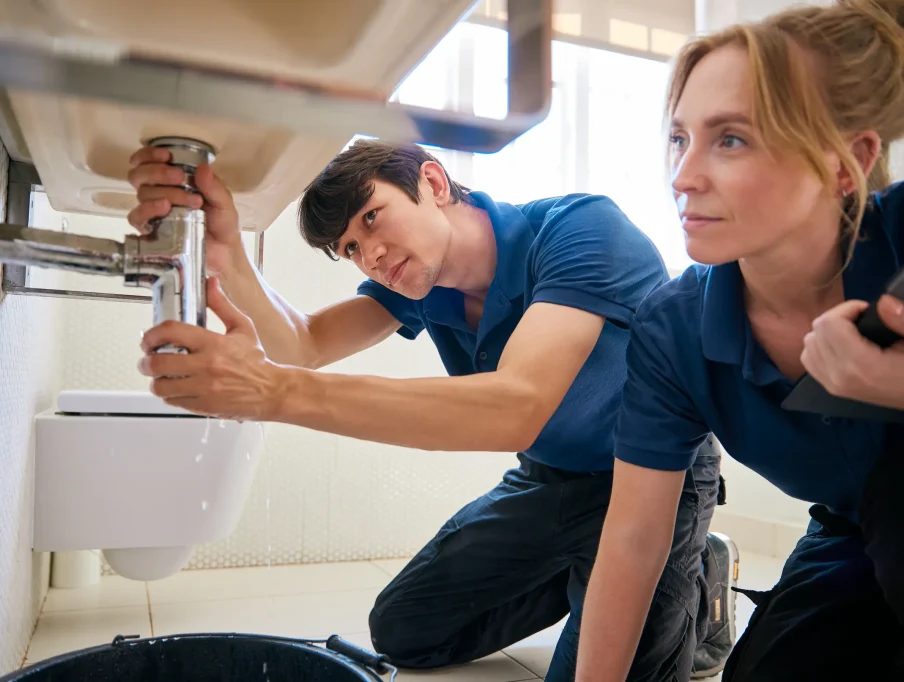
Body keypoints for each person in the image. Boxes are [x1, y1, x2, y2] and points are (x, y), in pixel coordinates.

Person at [126, 138, 736, 679]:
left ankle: (694, 575)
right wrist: (229, 253)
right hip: (548, 479)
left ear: (434, 184)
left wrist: (274, 392)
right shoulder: (421, 286)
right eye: (352, 248)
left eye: (373, 217)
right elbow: (305, 343)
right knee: (404, 631)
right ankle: (583, 570)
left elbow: (514, 408)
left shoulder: (581, 231)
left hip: (652, 483)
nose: (371, 255)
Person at [575, 1, 904, 680]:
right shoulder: (675, 327)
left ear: (849, 163)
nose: (683, 176)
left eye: (731, 139)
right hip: (849, 535)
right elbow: (635, 539)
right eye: (679, 138)